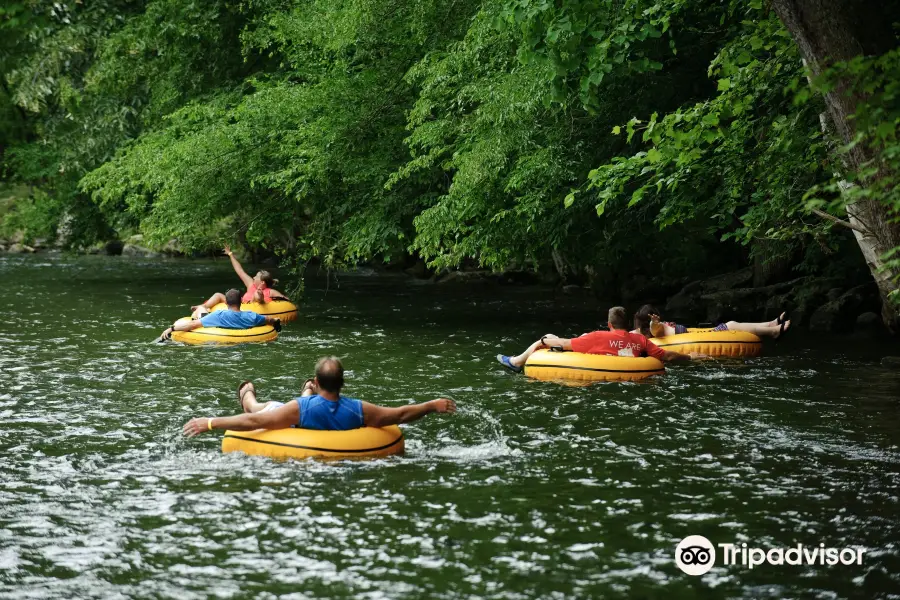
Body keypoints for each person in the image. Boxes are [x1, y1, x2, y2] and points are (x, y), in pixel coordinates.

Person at [182, 356, 457, 436]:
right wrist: (432, 405)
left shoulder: (297, 409)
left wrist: (209, 422)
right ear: (344, 383)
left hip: (297, 413)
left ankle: (247, 393)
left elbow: (255, 423)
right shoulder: (360, 410)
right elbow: (400, 415)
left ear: (318, 380)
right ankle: (306, 391)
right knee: (296, 401)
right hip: (314, 408)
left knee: (258, 407)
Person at [496, 306, 704, 373]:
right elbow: (666, 355)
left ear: (609, 324)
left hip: (601, 373)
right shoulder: (640, 341)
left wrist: (547, 339)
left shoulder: (597, 336)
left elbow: (567, 344)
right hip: (635, 373)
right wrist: (690, 358)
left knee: (547, 338)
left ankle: (516, 362)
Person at [158, 288, 281, 342]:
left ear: (226, 302)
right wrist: (275, 321)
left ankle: (197, 310)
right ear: (240, 303)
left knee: (201, 308)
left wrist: (171, 328)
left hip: (215, 327)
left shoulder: (219, 315)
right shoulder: (251, 316)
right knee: (201, 311)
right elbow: (268, 319)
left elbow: (193, 325)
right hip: (242, 333)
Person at [191, 245, 287, 312]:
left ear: (262, 282)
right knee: (218, 295)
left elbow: (285, 300)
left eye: (256, 276)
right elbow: (239, 270)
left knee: (257, 296)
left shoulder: (271, 292)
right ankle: (202, 307)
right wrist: (230, 254)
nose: (253, 277)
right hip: (240, 306)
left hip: (256, 308)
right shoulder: (251, 284)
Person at [632, 304, 790, 339]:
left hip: (701, 335)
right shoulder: (656, 329)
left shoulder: (646, 331)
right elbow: (655, 329)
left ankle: (770, 324)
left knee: (733, 323)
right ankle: (772, 331)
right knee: (733, 324)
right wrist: (654, 322)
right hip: (707, 337)